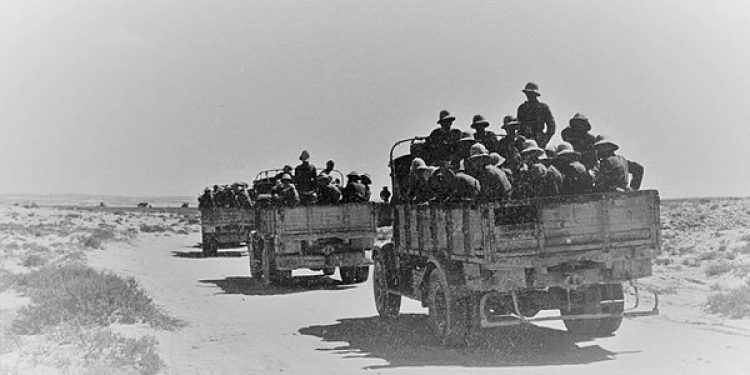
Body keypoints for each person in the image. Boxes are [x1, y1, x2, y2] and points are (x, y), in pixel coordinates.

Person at [517, 82, 556, 148]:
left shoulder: (543, 107)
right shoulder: (522, 108)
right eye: (528, 93)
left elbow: (551, 126)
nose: (529, 95)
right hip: (524, 140)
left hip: (538, 140)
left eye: (531, 94)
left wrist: (545, 139)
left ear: (535, 95)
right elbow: (518, 125)